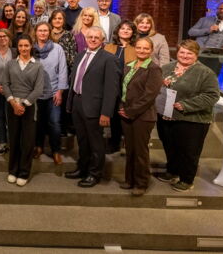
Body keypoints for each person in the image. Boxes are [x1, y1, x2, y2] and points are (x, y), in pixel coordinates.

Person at [155, 40, 220, 192]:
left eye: (189, 53)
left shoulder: (205, 73)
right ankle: (173, 171)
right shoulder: (167, 68)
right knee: (170, 146)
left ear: (196, 55)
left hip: (192, 120)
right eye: (182, 52)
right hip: (166, 116)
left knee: (189, 151)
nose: (184, 55)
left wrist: (186, 105)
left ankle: (186, 179)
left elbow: (212, 96)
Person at [65, 26, 121, 188]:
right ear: (86, 38)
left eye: (97, 37)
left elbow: (112, 89)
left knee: (96, 143)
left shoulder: (109, 59)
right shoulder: (81, 55)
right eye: (90, 37)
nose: (93, 39)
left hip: (95, 108)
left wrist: (106, 113)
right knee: (82, 140)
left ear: (103, 40)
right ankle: (82, 169)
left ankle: (94, 174)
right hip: (77, 103)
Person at [118, 37, 163, 196]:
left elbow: (149, 96)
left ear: (151, 51)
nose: (142, 51)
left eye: (145, 48)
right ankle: (129, 180)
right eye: (139, 48)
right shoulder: (129, 66)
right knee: (130, 149)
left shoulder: (153, 69)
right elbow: (122, 90)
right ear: (135, 48)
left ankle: (142, 183)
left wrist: (130, 111)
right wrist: (122, 108)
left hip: (143, 116)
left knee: (140, 151)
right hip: (126, 113)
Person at [2, 35, 44, 187]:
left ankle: (24, 172)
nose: (23, 49)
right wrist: (14, 103)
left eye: (26, 46)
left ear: (31, 46)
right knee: (13, 139)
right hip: (12, 105)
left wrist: (23, 105)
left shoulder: (38, 66)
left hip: (29, 106)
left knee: (27, 141)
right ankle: (13, 170)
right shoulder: (10, 64)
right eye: (20, 46)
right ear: (17, 47)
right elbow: (5, 84)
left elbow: (39, 89)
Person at [33, 22, 68, 165]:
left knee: (54, 123)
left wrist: (60, 91)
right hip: (35, 93)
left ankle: (56, 150)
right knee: (38, 123)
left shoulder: (57, 48)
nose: (42, 33)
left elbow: (63, 70)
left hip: (53, 92)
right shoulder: (31, 49)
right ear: (35, 32)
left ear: (49, 32)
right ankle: (39, 147)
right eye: (40, 31)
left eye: (45, 31)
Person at [104, 20, 137, 153]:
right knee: (114, 115)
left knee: (125, 113)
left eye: (129, 29)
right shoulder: (108, 47)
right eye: (123, 28)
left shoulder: (135, 48)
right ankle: (114, 142)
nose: (125, 31)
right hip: (112, 85)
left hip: (129, 86)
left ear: (133, 33)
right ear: (118, 31)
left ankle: (127, 141)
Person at [49, 9, 77, 136]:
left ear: (63, 21)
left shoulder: (69, 35)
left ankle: (62, 129)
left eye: (60, 18)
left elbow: (73, 54)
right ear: (51, 20)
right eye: (55, 18)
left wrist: (65, 66)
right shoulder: (46, 33)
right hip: (48, 73)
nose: (57, 21)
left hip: (64, 72)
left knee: (62, 101)